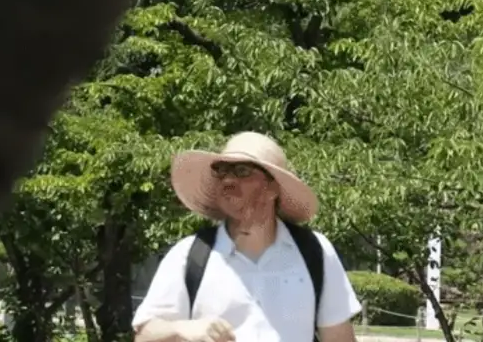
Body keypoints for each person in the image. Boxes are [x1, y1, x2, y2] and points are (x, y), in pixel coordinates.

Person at [134, 133, 362, 342]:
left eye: (242, 171)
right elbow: (144, 336)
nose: (227, 181)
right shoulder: (190, 255)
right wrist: (181, 329)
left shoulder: (315, 251)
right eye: (221, 171)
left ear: (273, 188)